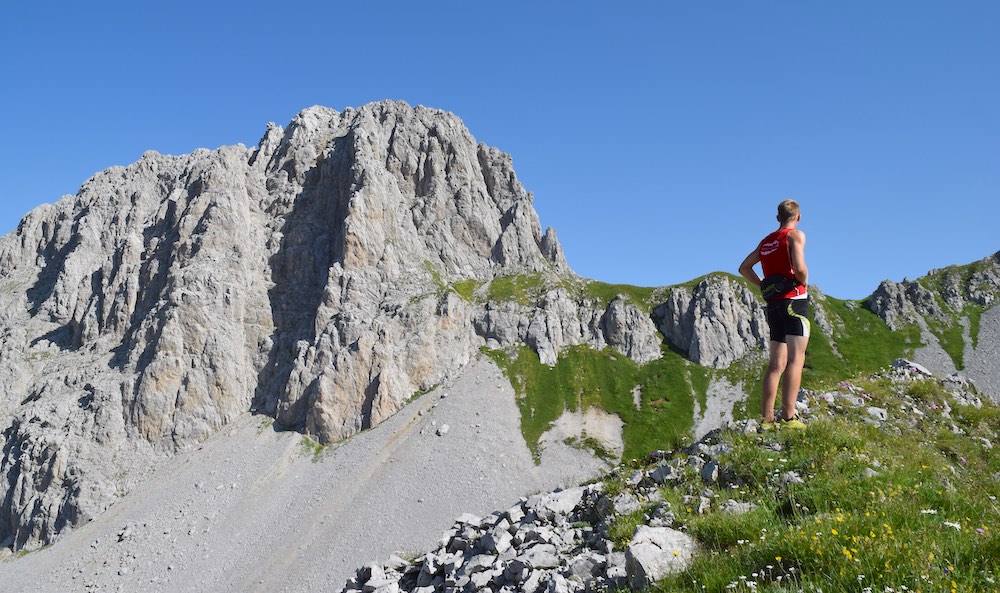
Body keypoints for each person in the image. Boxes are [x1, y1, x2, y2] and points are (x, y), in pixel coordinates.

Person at [739, 200, 810, 430]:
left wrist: (761, 285)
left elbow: (744, 267)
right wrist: (803, 281)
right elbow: (799, 268)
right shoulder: (795, 236)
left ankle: (767, 419)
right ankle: (789, 417)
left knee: (775, 363)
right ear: (798, 217)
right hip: (794, 300)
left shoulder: (766, 241)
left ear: (777, 217)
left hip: (774, 304)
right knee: (796, 358)